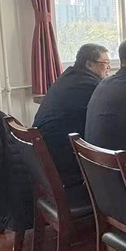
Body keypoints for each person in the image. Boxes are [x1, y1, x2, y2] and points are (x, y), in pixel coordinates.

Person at [33, 44, 110, 187]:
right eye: (105, 63)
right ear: (89, 64)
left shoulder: (68, 77)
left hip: (45, 155)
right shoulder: (89, 85)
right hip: (63, 161)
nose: (108, 68)